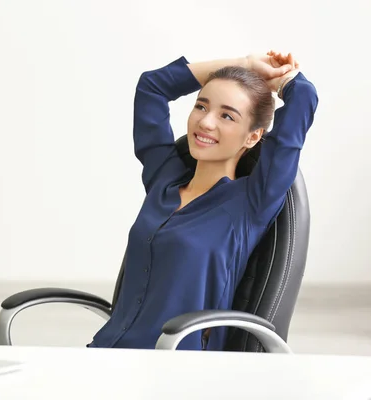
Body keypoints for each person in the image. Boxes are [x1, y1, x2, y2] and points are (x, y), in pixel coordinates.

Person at [87, 51, 319, 351]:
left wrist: (285, 80)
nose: (205, 122)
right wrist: (244, 65)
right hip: (106, 355)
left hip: (179, 369)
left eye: (227, 115)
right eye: (201, 106)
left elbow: (304, 97)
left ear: (252, 137)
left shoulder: (252, 202)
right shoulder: (164, 179)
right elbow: (152, 87)